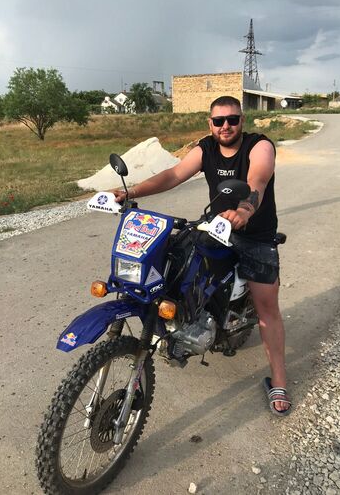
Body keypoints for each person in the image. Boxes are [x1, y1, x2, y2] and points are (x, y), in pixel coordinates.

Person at [113, 95, 291, 416]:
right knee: (174, 265)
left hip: (255, 234)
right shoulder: (206, 148)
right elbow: (174, 175)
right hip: (215, 228)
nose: (226, 126)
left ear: (242, 121)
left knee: (267, 308)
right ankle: (188, 326)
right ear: (210, 123)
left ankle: (278, 379)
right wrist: (130, 192)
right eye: (219, 121)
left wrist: (245, 210)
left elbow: (258, 179)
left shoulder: (259, 145)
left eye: (232, 120)